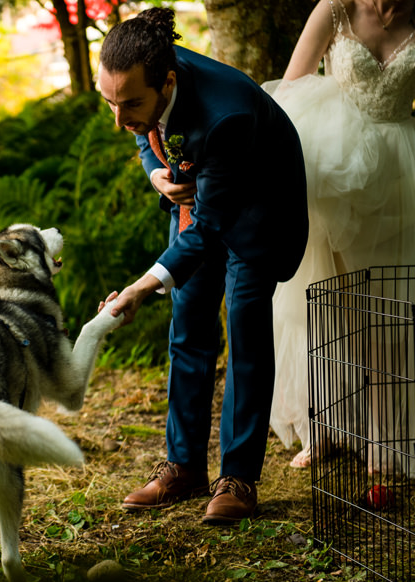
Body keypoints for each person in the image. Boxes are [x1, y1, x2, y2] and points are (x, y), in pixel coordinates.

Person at [95, 8, 309, 524]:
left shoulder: (226, 114)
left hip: (258, 208)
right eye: (110, 103)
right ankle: (183, 465)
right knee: (188, 325)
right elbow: (142, 130)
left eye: (130, 105)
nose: (119, 118)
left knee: (245, 332)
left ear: (167, 82)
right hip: (199, 197)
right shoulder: (137, 75)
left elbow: (212, 227)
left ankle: (238, 477)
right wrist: (155, 174)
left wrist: (141, 286)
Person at [265, 0, 415, 471]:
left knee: (390, 299)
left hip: (401, 170)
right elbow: (288, 89)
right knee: (326, 297)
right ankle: (324, 426)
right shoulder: (335, 8)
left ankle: (384, 430)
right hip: (336, 166)